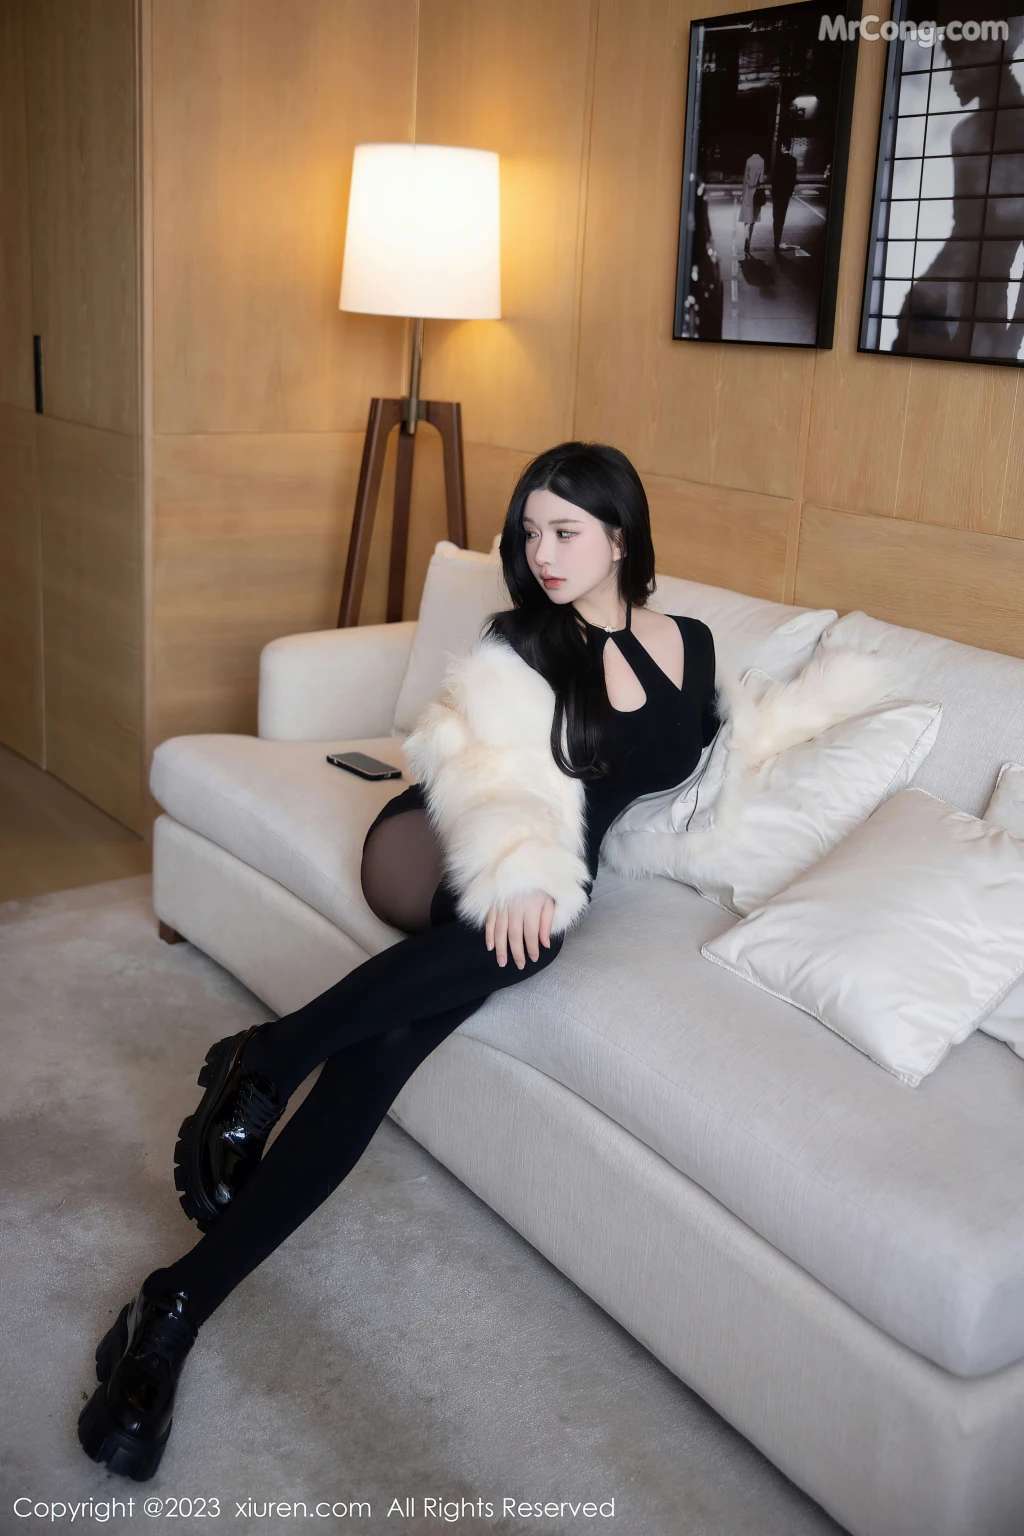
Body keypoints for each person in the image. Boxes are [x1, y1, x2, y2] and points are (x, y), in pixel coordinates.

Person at [77, 440, 720, 1481]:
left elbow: (702, 763)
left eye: (565, 532)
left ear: (620, 536)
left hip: (541, 866)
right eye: (530, 532)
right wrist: (521, 866)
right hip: (440, 837)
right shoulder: (522, 638)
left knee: (385, 1054)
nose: (542, 553)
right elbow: (476, 767)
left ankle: (181, 1292)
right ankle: (266, 1066)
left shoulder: (691, 644)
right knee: (526, 938)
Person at [739, 148, 765, 259]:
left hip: (748, 193)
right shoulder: (762, 161)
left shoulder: (749, 160)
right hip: (756, 193)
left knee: (747, 218)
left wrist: (742, 193)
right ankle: (749, 240)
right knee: (753, 219)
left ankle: (745, 237)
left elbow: (745, 178)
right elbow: (761, 180)